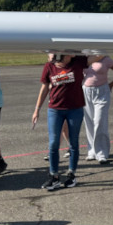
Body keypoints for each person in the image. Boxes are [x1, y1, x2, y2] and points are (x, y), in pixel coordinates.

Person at [32, 54, 88, 190]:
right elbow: (44, 87)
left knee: (73, 142)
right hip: (55, 110)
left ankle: (71, 174)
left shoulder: (78, 62)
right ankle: (54, 176)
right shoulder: (50, 66)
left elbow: (99, 55)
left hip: (75, 109)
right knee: (53, 143)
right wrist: (37, 109)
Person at [82, 55, 113, 164]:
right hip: (86, 92)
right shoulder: (83, 58)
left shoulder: (105, 59)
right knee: (89, 122)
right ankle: (92, 151)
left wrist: (111, 85)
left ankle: (101, 153)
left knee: (99, 122)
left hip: (102, 92)